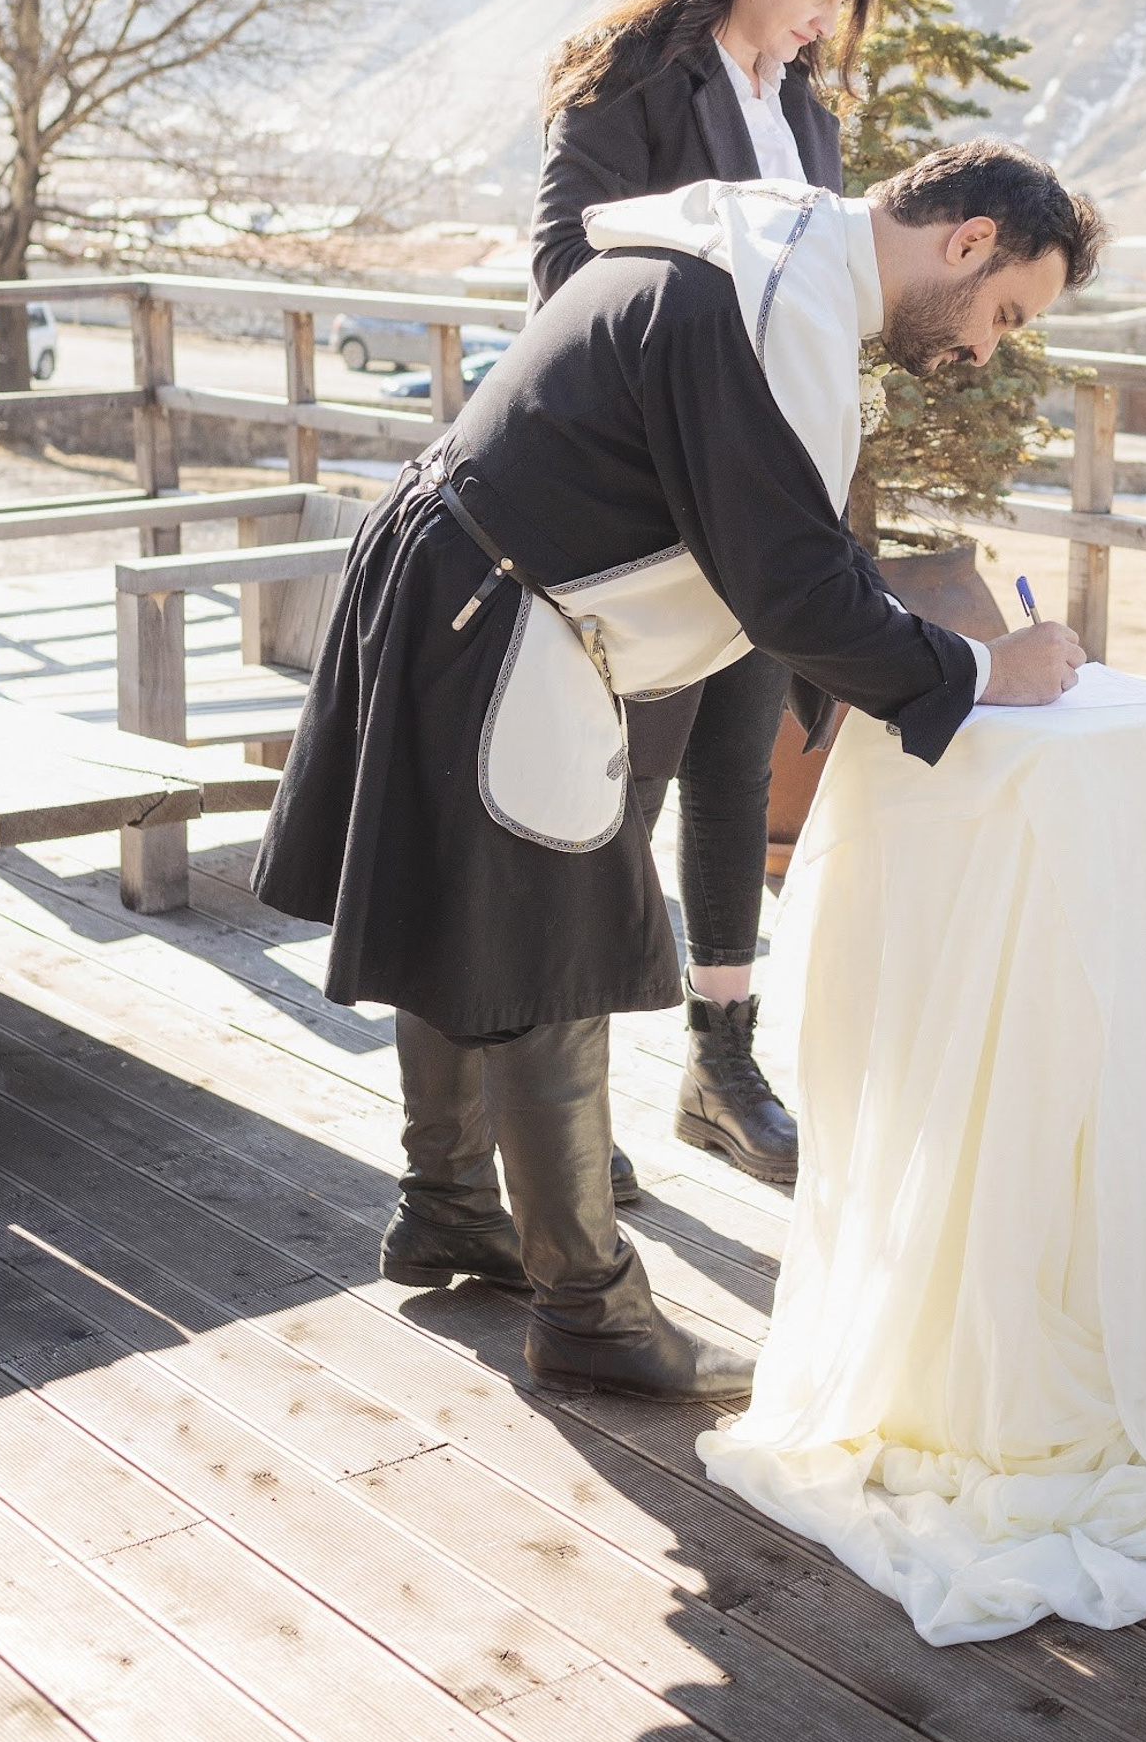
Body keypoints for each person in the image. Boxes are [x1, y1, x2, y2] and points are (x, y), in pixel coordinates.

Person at [251, 142, 1103, 1405]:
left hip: (462, 572)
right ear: (968, 241)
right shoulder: (775, 300)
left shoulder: (772, 256)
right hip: (501, 605)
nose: (989, 348)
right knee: (545, 947)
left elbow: (775, 529)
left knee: (462, 906)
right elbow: (790, 583)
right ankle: (588, 1312)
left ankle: (450, 1206)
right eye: (1008, 314)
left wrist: (915, 649)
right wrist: (986, 671)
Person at [531, 0, 881, 1190]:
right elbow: (568, 272)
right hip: (649, 496)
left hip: (768, 497)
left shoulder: (807, 119)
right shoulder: (624, 81)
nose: (828, 23)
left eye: (846, 2)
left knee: (737, 771)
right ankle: (563, 1092)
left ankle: (717, 1066)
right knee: (618, 794)